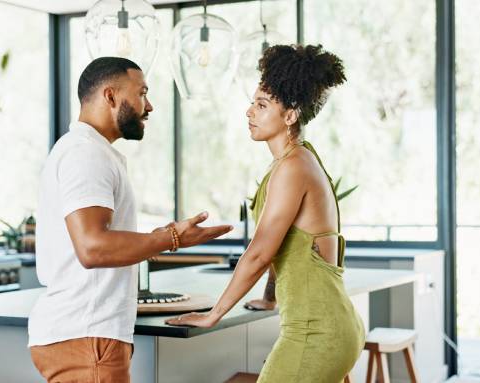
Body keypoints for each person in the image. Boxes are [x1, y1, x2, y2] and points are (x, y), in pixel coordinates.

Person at [165, 44, 365, 382]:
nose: (249, 112)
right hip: (329, 325)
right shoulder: (296, 161)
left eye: (262, 105)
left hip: (315, 332)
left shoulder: (293, 167)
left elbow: (259, 253)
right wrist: (270, 297)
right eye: (252, 102)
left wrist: (213, 315)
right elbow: (292, 249)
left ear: (290, 115)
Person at [28, 57, 233, 382]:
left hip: (87, 335)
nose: (148, 105)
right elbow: (93, 248)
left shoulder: (87, 151)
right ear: (110, 97)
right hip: (87, 335)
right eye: (142, 93)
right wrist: (172, 238)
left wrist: (167, 236)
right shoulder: (86, 154)